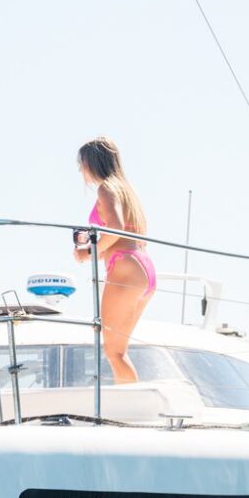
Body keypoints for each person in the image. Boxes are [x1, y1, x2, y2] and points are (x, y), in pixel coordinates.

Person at [75, 137, 155, 383]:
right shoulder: (128, 191)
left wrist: (88, 252)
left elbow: (116, 228)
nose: (81, 170)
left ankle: (133, 408)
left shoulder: (106, 188)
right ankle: (134, 402)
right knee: (120, 352)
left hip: (124, 268)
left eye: (81, 165)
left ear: (91, 163)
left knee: (113, 352)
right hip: (143, 268)